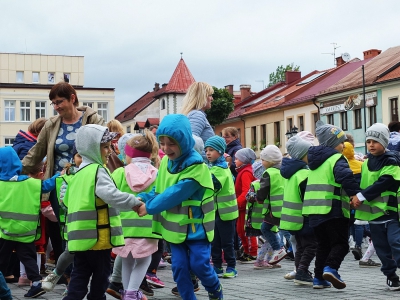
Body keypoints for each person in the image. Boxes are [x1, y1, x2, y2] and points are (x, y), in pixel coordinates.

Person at [138, 114, 223, 300]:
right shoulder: (167, 162)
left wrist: (148, 207)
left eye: (172, 143)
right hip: (175, 231)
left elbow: (176, 192)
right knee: (179, 268)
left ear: (184, 141)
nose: (166, 148)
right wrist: (141, 198)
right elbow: (160, 188)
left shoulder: (197, 166)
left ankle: (215, 289)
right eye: (162, 143)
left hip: (197, 230)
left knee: (199, 265)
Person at [21, 82, 105, 266]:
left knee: (83, 226)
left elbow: (103, 150)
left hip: (86, 184)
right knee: (60, 229)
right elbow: (36, 152)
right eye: (53, 103)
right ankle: (66, 271)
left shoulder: (94, 120)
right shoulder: (51, 125)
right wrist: (15, 172)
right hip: (58, 185)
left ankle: (83, 268)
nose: (56, 107)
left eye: (59, 102)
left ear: (72, 98)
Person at [61, 124, 145, 300]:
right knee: (101, 274)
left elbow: (66, 201)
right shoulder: (97, 171)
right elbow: (111, 195)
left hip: (80, 239)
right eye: (105, 147)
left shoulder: (78, 174)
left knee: (80, 274)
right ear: (92, 148)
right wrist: (133, 202)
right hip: (99, 237)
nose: (110, 151)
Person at [302, 122, 360, 290]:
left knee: (323, 245)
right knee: (341, 243)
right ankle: (331, 268)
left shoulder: (313, 162)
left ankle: (319, 278)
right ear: (333, 143)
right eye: (341, 142)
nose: (343, 146)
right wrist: (354, 193)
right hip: (332, 209)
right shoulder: (335, 159)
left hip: (314, 211)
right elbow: (346, 177)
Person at [0, 147, 59, 298]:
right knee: (28, 258)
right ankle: (37, 283)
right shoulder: (31, 183)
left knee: (2, 259)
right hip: (26, 231)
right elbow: (47, 185)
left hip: (4, 231)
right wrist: (59, 175)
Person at [110, 130, 160, 300]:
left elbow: (111, 195)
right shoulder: (156, 173)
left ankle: (126, 292)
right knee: (144, 260)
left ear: (129, 154)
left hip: (123, 225)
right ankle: (132, 292)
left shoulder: (119, 173)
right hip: (148, 226)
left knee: (127, 260)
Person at [351, 123, 400, 290]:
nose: (371, 145)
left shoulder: (391, 161)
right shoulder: (366, 162)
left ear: (385, 142)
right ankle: (391, 277)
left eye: (375, 141)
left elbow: (384, 182)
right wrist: (355, 194)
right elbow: (363, 182)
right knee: (381, 250)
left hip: (391, 213)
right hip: (374, 216)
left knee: (396, 243)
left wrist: (361, 196)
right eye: (368, 141)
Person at [41, 149, 83, 295]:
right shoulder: (64, 177)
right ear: (73, 158)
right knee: (69, 252)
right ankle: (66, 279)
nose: (82, 159)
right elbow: (59, 198)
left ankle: (73, 283)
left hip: (87, 224)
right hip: (68, 224)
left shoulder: (94, 173)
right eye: (79, 156)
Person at [280, 135, 319, 286]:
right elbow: (309, 196)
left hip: (291, 217)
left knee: (302, 246)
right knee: (312, 245)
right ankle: (302, 271)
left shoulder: (291, 173)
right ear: (302, 155)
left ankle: (299, 271)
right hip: (305, 216)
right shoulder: (304, 174)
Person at [205, 136, 239, 278]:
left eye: (211, 150)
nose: (207, 153)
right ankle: (217, 266)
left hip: (225, 212)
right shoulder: (215, 168)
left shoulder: (220, 169)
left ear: (220, 151)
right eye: (206, 150)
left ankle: (231, 267)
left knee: (227, 242)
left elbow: (213, 186)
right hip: (216, 212)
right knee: (215, 242)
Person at [255, 145, 287, 265]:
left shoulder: (268, 173)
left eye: (263, 160)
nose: (262, 162)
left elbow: (263, 189)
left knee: (265, 228)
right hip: (283, 206)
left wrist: (259, 198)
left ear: (269, 161)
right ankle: (284, 248)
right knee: (283, 229)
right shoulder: (283, 171)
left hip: (272, 208)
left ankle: (279, 248)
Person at [246, 161, 276, 270]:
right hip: (260, 217)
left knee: (272, 239)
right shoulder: (255, 184)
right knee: (271, 239)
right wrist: (258, 196)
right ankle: (260, 260)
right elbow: (248, 197)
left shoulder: (271, 182)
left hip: (268, 216)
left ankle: (269, 260)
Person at [234, 148, 258, 263]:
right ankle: (247, 251)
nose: (235, 160)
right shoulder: (243, 171)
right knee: (240, 229)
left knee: (245, 230)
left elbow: (246, 191)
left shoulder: (246, 172)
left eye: (237, 158)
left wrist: (236, 203)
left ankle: (252, 252)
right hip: (242, 207)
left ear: (243, 160)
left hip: (244, 207)